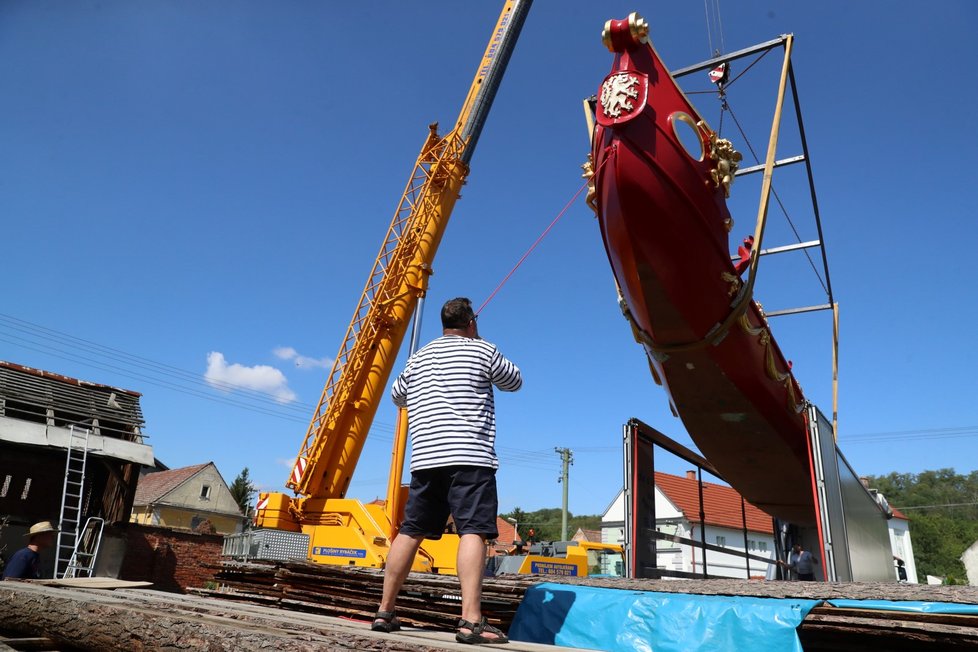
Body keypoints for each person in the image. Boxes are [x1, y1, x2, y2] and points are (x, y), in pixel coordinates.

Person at [372, 297, 522, 645]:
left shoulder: (419, 357)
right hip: (470, 457)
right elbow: (514, 381)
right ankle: (471, 621)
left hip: (425, 459)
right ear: (471, 323)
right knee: (473, 530)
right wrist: (478, 341)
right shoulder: (483, 350)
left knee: (410, 531)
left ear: (443, 324)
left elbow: (397, 396)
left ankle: (384, 611)